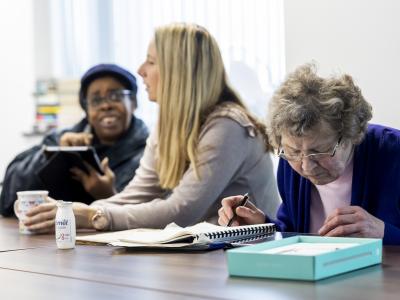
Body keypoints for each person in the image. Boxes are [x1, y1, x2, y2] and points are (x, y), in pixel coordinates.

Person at [22, 23, 280, 233]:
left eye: (151, 62)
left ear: (178, 71)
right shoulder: (168, 124)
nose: (140, 71)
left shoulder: (228, 126)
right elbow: (138, 193)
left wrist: (92, 215)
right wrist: (70, 212)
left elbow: (182, 210)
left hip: (243, 259)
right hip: (201, 257)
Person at [218, 63, 400, 245]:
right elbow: (294, 232)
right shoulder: (290, 160)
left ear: (350, 135)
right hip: (316, 272)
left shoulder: (393, 153)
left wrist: (385, 232)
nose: (306, 166)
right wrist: (261, 227)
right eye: (293, 151)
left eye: (318, 151)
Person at [0, 64, 149, 216]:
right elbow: (9, 191)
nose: (105, 105)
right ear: (86, 109)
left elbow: (156, 215)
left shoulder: (151, 150)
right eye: (96, 100)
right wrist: (55, 154)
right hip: (52, 237)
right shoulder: (59, 139)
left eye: (115, 96)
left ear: (133, 102)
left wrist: (110, 196)